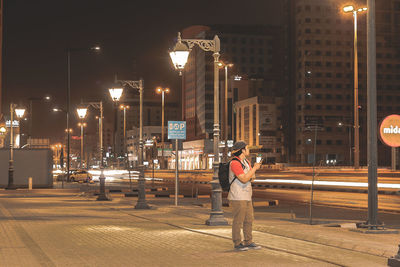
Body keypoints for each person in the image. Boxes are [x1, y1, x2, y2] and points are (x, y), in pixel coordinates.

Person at [228, 141, 262, 251]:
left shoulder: (246, 162)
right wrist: (254, 169)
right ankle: (237, 242)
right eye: (247, 148)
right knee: (238, 220)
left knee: (249, 219)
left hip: (247, 195)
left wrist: (252, 172)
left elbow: (252, 177)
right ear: (242, 150)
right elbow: (244, 179)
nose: (248, 150)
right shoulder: (234, 163)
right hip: (237, 196)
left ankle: (248, 241)